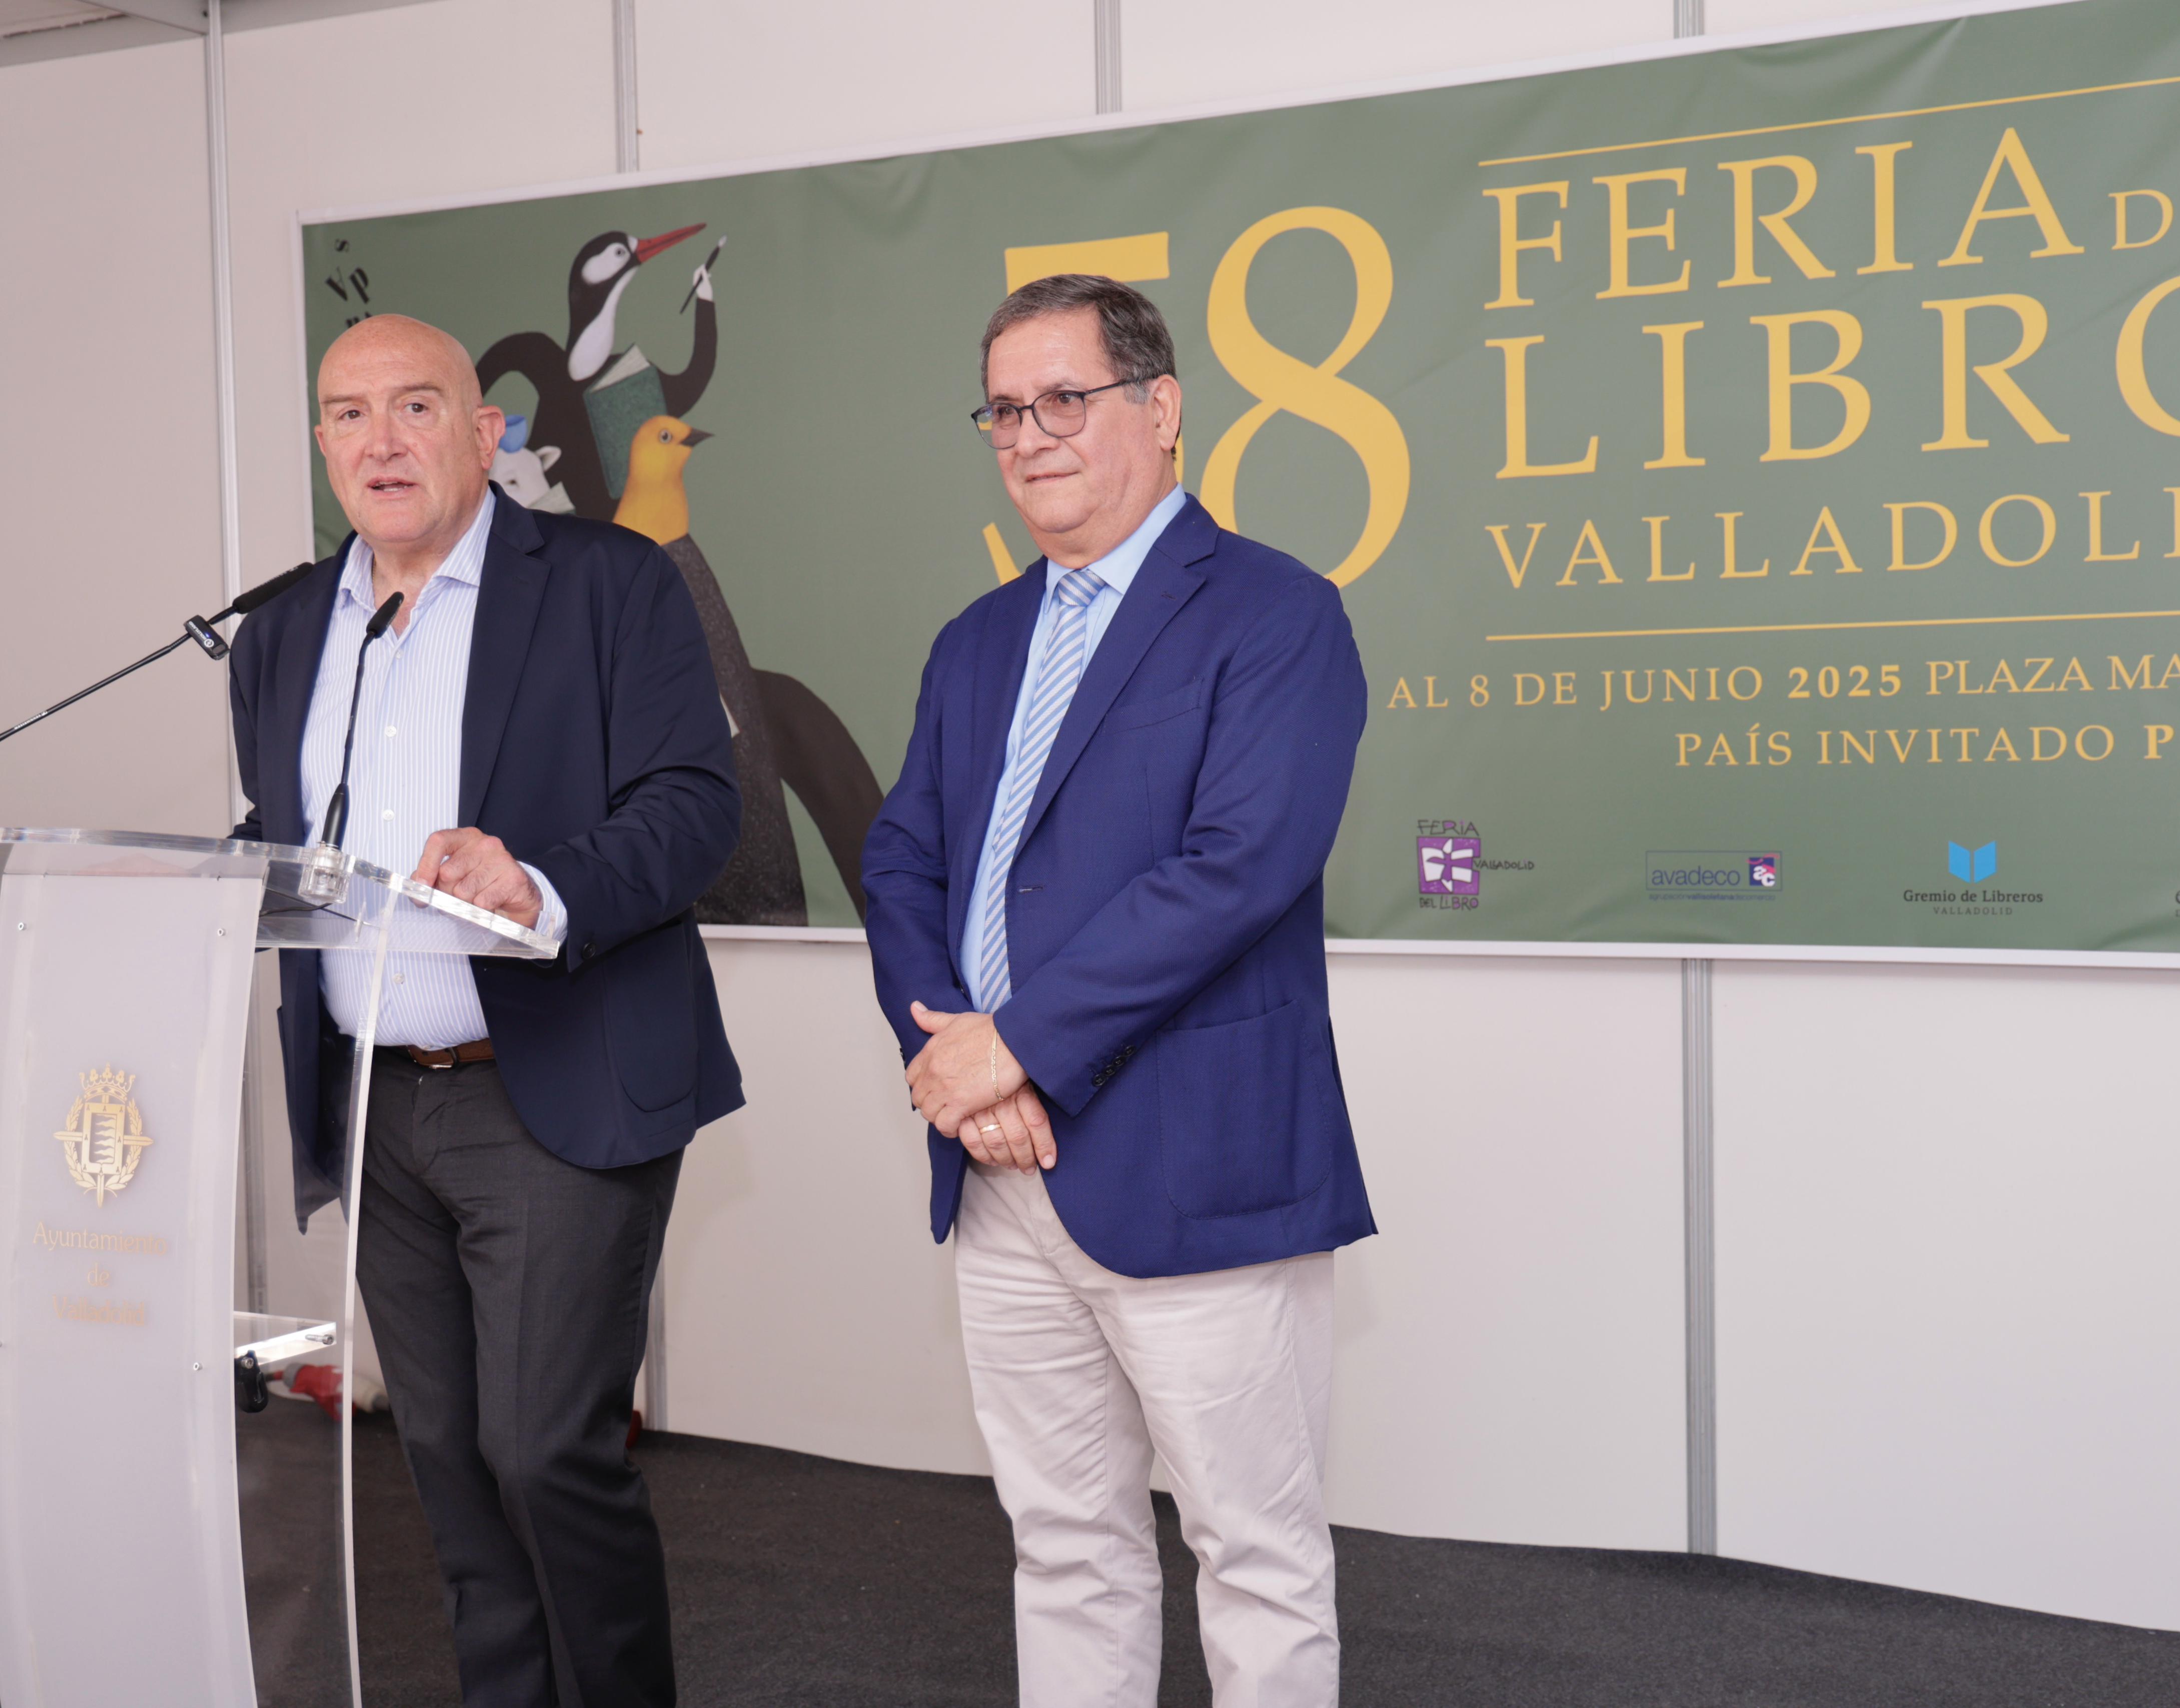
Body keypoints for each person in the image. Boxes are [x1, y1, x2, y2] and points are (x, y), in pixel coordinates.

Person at [862, 274, 1375, 1707]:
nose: (1030, 435)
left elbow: (1238, 867)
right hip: (1002, 1170)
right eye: (1003, 411)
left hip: (1196, 1161)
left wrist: (1014, 1047)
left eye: (1064, 400)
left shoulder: (1277, 614)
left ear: (1162, 409)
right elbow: (902, 860)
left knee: (1254, 1554)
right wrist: (963, 1063)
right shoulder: (976, 640)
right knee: (1064, 1545)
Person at [227, 313, 742, 1708]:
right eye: (348, 415)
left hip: (555, 1081)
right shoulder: (283, 631)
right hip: (374, 1101)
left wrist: (544, 885)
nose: (381, 441)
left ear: (486, 431)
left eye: (415, 407)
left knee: (543, 1453)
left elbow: (698, 805)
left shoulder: (607, 583)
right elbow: (283, 837)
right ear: (323, 445)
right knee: (450, 1467)